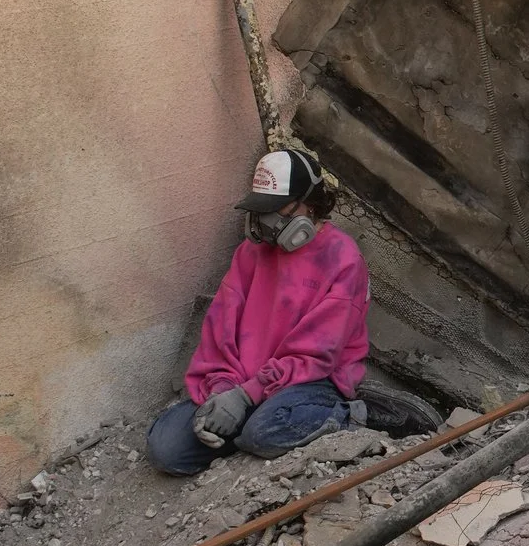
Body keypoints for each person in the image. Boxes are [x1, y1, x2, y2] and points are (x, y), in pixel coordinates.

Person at [147, 146, 370, 475]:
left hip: (311, 381)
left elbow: (314, 356)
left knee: (263, 431)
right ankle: (246, 431)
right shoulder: (251, 253)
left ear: (309, 204)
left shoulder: (343, 260)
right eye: (261, 210)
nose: (266, 222)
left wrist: (244, 398)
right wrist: (222, 393)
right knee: (167, 450)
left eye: (277, 210)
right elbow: (219, 331)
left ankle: (346, 415)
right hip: (246, 383)